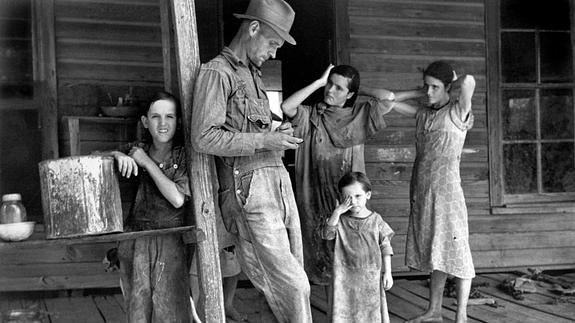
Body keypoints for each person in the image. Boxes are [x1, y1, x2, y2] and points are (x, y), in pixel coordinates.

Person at [190, 0, 312, 322]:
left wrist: (276, 132)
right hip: (248, 192)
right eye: (272, 43)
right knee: (292, 286)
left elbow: (249, 128)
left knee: (294, 277)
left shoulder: (252, 75)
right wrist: (265, 140)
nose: (273, 53)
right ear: (253, 28)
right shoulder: (217, 72)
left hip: (276, 184)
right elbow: (204, 137)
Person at [280, 64, 396, 284]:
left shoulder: (360, 114)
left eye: (339, 88)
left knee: (352, 251)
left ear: (351, 94)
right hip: (315, 193)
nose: (330, 91)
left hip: (349, 196)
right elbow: (287, 106)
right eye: (329, 84)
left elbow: (388, 98)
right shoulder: (312, 114)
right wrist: (318, 83)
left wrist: (358, 90)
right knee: (321, 251)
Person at [391, 60, 476, 323]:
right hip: (423, 190)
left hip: (448, 193)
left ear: (448, 87)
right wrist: (420, 92)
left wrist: (450, 82)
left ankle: (461, 316)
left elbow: (469, 81)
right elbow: (387, 100)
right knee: (435, 251)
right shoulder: (423, 114)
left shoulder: (458, 112)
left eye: (434, 87)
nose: (429, 92)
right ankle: (434, 311)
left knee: (458, 251)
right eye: (426, 87)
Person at [97, 91, 192, 322]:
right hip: (135, 240)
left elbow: (177, 199)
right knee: (137, 308)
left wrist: (146, 163)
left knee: (171, 310)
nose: (162, 123)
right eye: (155, 116)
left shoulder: (183, 155)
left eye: (169, 117)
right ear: (145, 122)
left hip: (169, 240)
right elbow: (95, 155)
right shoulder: (136, 149)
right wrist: (118, 155)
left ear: (178, 122)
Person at [322, 172, 394, 323]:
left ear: (368, 195)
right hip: (344, 276)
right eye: (348, 198)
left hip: (370, 278)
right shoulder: (339, 220)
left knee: (370, 312)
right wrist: (337, 212)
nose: (353, 202)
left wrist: (388, 272)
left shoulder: (376, 220)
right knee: (345, 310)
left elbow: (385, 246)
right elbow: (328, 234)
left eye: (358, 196)